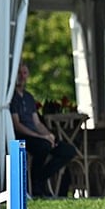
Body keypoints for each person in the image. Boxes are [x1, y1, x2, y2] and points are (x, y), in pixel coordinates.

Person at [10, 61, 77, 198]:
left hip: (37, 135)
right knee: (43, 146)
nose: (22, 77)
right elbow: (17, 125)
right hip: (22, 136)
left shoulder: (28, 97)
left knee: (68, 150)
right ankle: (35, 184)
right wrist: (41, 137)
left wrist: (48, 134)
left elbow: (37, 122)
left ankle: (41, 178)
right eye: (19, 73)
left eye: (24, 73)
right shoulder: (11, 98)